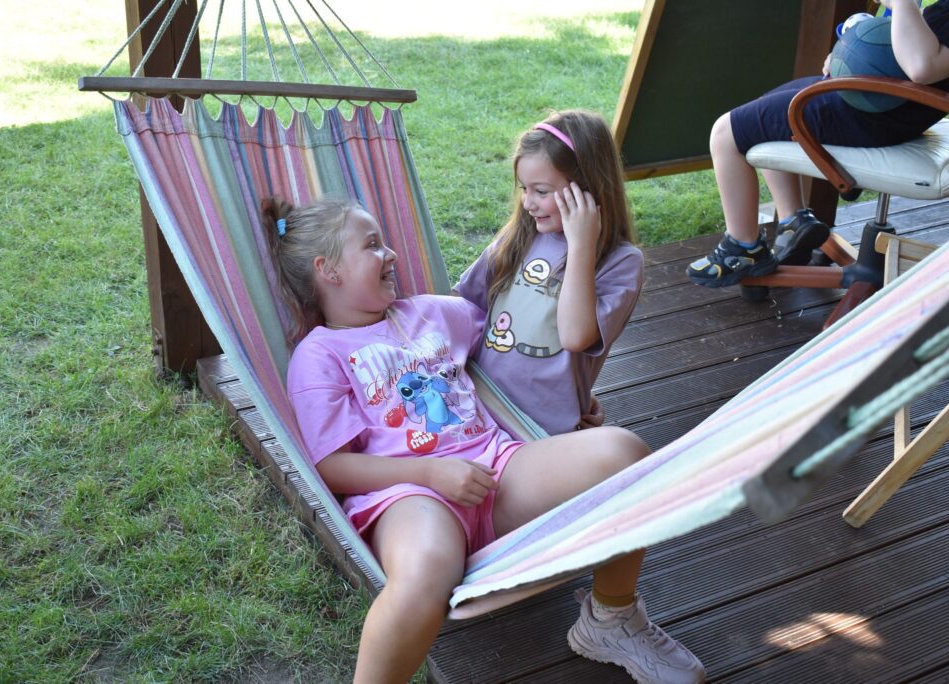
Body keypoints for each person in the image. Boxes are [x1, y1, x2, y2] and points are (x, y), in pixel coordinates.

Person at [265, 196, 704, 684]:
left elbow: (511, 355)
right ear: (328, 271)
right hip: (409, 496)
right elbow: (332, 467)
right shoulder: (318, 355)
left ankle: (611, 619)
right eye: (371, 246)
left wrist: (573, 396)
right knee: (425, 571)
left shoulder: (434, 313)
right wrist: (430, 473)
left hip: (497, 467)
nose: (390, 254)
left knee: (625, 455)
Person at [687, 0, 949, 287]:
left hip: (873, 114)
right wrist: (850, 52)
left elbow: (922, 66)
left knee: (725, 134)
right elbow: (921, 39)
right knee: (766, 107)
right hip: (881, 103)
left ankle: (743, 248)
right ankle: (794, 222)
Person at [455, 110, 644, 435]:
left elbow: (574, 336)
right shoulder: (520, 236)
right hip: (480, 404)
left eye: (541, 191)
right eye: (524, 188)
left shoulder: (621, 262)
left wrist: (581, 244)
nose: (528, 203)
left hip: (541, 429)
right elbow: (463, 303)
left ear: (588, 188)